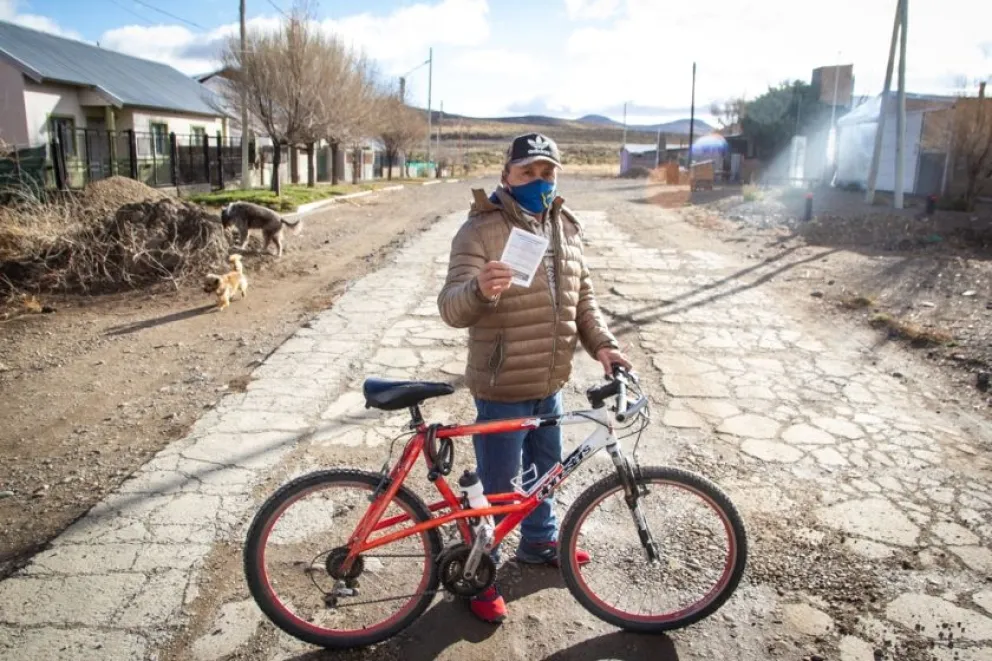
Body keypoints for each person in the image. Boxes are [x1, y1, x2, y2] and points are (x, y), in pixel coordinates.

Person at [437, 132, 631, 624]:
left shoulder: (564, 225)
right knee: (500, 486)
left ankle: (540, 543)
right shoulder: (478, 231)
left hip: (551, 381)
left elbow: (582, 299)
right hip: (502, 386)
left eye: (548, 173)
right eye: (528, 172)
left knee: (547, 473)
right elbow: (451, 306)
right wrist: (479, 290)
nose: (539, 181)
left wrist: (604, 345)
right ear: (507, 175)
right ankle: (482, 570)